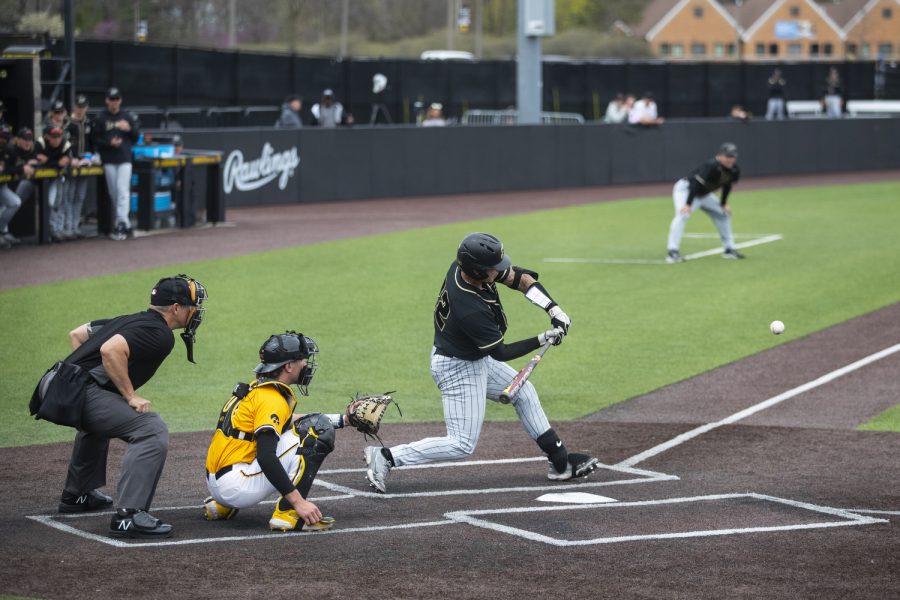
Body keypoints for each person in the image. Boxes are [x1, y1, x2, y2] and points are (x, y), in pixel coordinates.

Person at [364, 232, 599, 494]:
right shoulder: (469, 307)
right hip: (457, 368)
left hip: (470, 356)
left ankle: (561, 463)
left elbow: (520, 278)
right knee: (461, 443)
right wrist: (543, 337)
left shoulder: (466, 267)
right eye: (492, 268)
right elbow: (500, 351)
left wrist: (554, 310)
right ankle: (386, 457)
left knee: (525, 393)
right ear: (477, 270)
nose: (499, 271)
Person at [35, 274, 208, 539]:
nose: (196, 312)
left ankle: (77, 495)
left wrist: (99, 384)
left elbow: (79, 334)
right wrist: (128, 395)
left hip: (58, 385)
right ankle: (129, 515)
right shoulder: (160, 333)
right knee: (150, 428)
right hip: (73, 391)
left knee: (103, 418)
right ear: (176, 308)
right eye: (192, 306)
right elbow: (110, 350)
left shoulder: (129, 319)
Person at [204, 331, 357, 532]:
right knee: (317, 430)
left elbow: (286, 423)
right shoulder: (272, 399)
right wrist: (298, 501)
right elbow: (266, 456)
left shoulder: (256, 388)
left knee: (308, 426)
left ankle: (223, 507)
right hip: (237, 486)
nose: (306, 365)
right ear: (288, 366)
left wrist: (343, 420)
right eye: (302, 359)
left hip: (218, 484)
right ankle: (289, 514)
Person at [666, 142, 744, 263]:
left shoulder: (734, 169)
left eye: (733, 156)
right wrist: (688, 204)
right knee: (683, 214)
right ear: (721, 155)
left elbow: (727, 186)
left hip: (704, 194)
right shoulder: (711, 165)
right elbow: (695, 184)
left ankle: (729, 249)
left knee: (723, 214)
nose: (731, 159)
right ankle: (672, 252)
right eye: (728, 156)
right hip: (686, 190)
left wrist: (723, 204)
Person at [93, 87, 140, 241]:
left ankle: (120, 224)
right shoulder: (101, 117)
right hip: (109, 159)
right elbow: (95, 140)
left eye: (117, 99)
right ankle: (125, 224)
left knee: (122, 191)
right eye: (112, 99)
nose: (114, 102)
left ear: (120, 100)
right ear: (107, 100)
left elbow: (135, 137)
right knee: (114, 193)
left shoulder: (127, 116)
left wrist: (130, 129)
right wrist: (109, 142)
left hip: (124, 158)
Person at [64, 94, 96, 239]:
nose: (80, 110)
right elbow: (63, 145)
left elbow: (93, 143)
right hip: (71, 164)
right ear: (74, 106)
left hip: (85, 164)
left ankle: (75, 226)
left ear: (86, 108)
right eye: (78, 106)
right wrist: (71, 159)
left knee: (80, 196)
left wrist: (92, 157)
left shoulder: (89, 123)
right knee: (68, 196)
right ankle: (68, 227)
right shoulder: (67, 123)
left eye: (83, 107)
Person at [35, 125, 73, 242]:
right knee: (18, 200)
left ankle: (52, 230)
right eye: (53, 137)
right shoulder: (40, 143)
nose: (56, 139)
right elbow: (37, 160)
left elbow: (64, 163)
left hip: (54, 179)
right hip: (34, 179)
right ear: (47, 137)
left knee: (53, 202)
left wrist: (49, 161)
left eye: (58, 136)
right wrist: (55, 162)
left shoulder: (65, 144)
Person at [5, 127, 40, 246]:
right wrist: (22, 168)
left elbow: (41, 161)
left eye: (30, 139)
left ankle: (3, 232)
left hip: (6, 186)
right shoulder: (10, 149)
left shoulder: (32, 150)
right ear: (17, 139)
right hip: (4, 184)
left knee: (14, 203)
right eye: (25, 139)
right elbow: (6, 168)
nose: (27, 142)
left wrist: (37, 163)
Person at [0, 126, 20, 249]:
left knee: (15, 202)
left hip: (2, 185)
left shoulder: (9, 149)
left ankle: (2, 231)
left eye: (5, 137)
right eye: (1, 137)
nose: (3, 140)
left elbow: (17, 166)